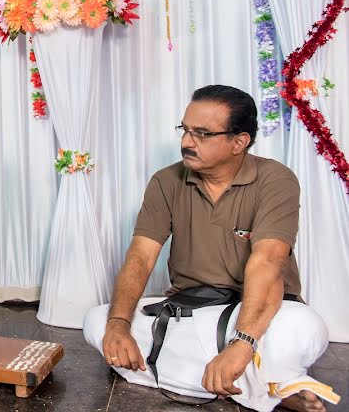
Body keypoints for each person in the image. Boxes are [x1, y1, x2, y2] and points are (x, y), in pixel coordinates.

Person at [83, 85, 340, 412]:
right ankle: (265, 385)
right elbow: (141, 256)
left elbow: (268, 261)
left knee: (303, 327)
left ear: (239, 142)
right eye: (185, 130)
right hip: (190, 311)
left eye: (202, 133)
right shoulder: (166, 181)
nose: (187, 142)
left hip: (256, 314)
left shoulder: (275, 179)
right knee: (97, 320)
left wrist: (243, 342)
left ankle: (201, 372)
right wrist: (118, 324)